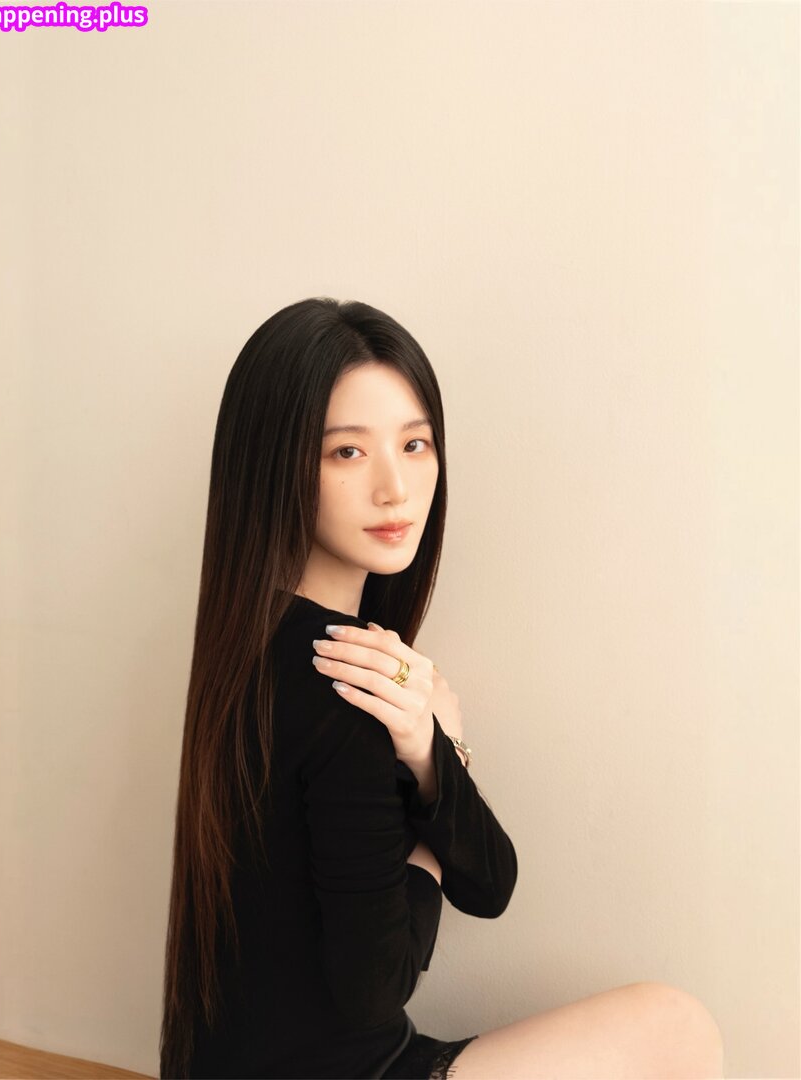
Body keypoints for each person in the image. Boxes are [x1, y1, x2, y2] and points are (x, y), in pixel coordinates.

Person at [159, 297, 724, 1080]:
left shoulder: (248, 647)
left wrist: (431, 756)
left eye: (414, 444)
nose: (396, 487)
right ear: (275, 465)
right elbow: (375, 988)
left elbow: (491, 884)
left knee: (670, 1024)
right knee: (676, 1030)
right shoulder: (345, 685)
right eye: (347, 452)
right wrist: (428, 829)